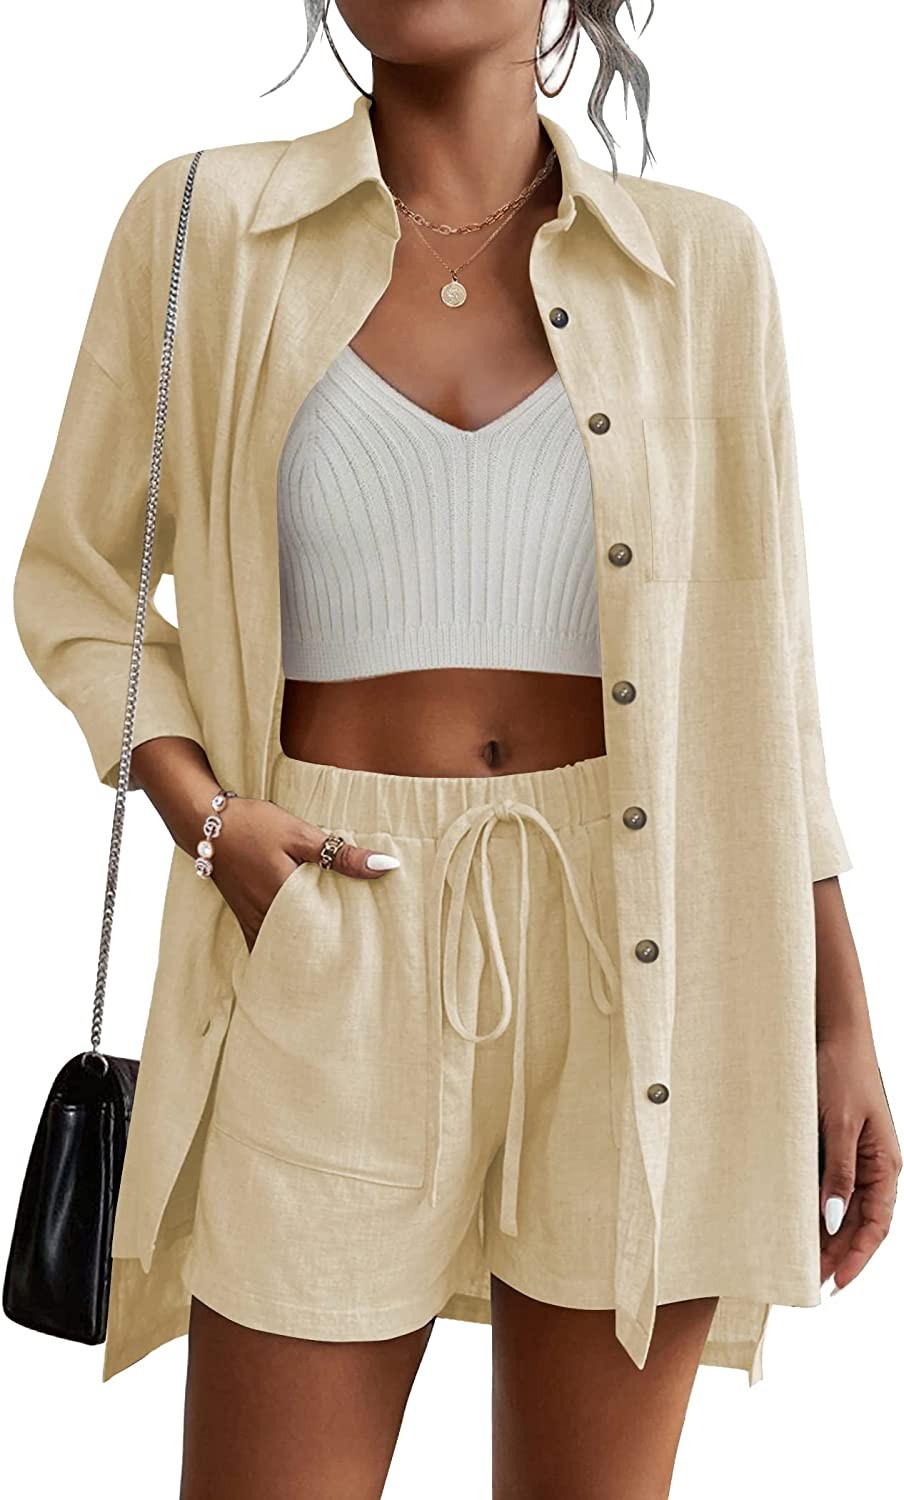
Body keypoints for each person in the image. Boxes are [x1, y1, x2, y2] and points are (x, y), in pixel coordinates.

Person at [12, 2, 900, 1496]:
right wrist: (210, 822)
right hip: (327, 925)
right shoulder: (204, 227)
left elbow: (764, 682)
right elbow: (78, 585)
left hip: (645, 957)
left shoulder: (703, 264)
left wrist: (836, 1015)